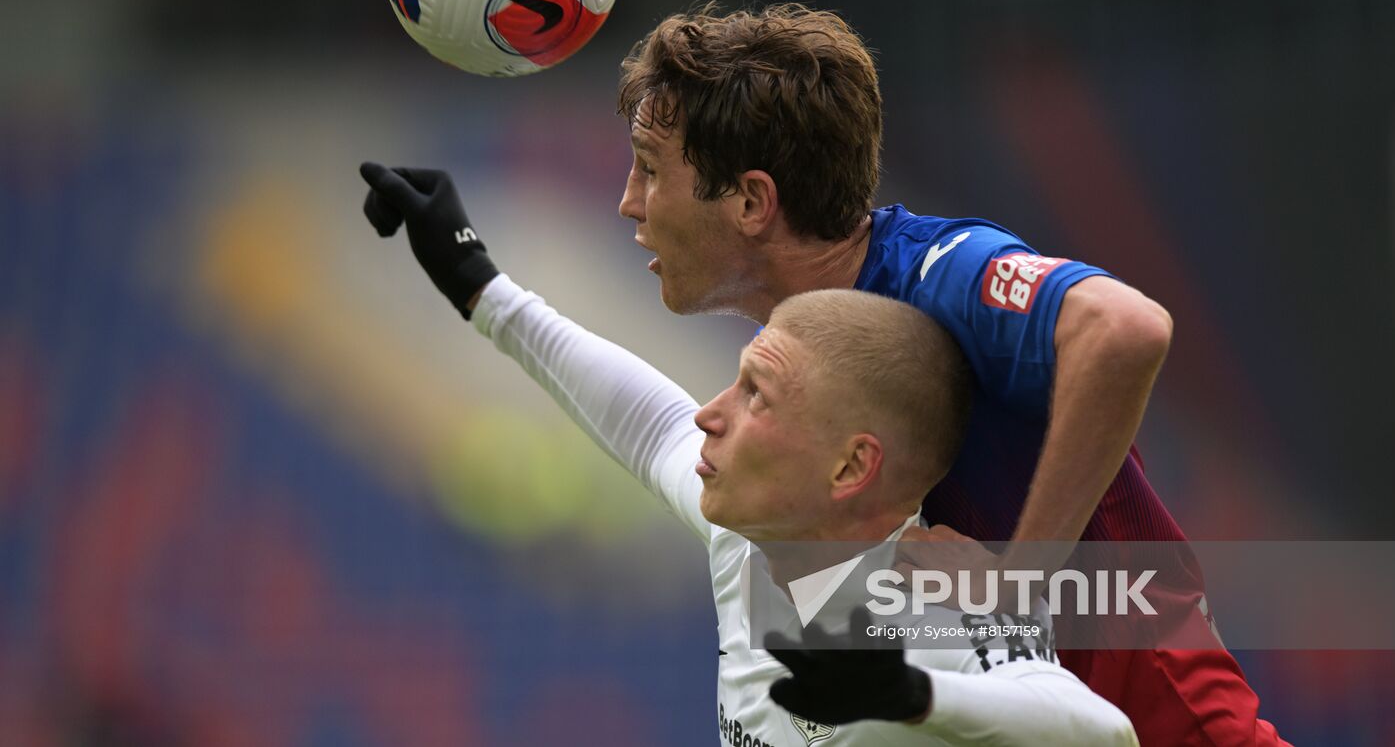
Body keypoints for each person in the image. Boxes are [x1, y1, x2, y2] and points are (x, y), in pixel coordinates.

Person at [604, 4, 1285, 746]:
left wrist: (1016, 584)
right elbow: (658, 435)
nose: (630, 201)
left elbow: (1126, 328)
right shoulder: (806, 346)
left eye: (649, 166)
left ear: (751, 201)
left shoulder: (939, 273)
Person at [358, 160, 1137, 745]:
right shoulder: (749, 535)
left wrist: (907, 690)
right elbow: (640, 414)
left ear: (848, 467)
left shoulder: (935, 600)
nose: (707, 413)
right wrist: (477, 283)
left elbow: (1099, 729)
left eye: (757, 394)